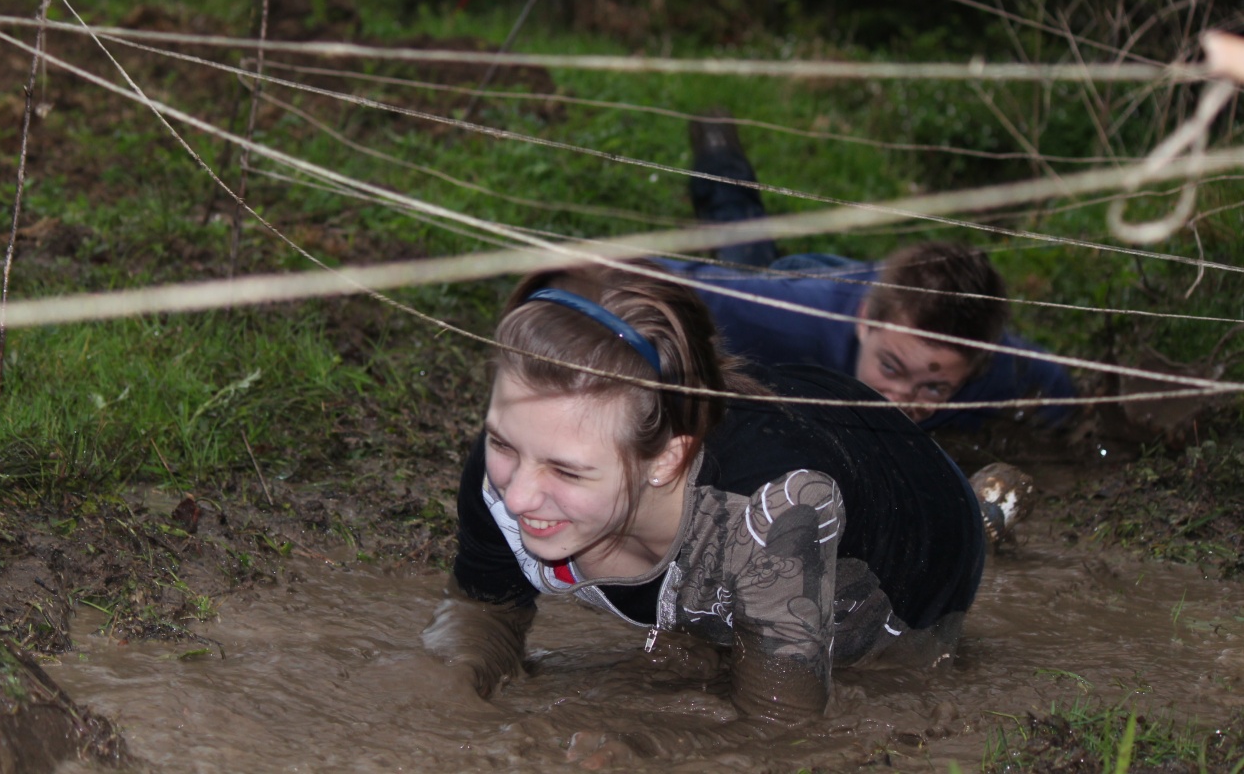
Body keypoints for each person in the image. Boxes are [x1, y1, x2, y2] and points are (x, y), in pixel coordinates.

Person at [422, 262, 996, 736]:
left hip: (918, 532)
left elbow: (782, 728)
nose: (517, 495)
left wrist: (646, 749)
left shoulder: (772, 514)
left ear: (668, 457)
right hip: (800, 418)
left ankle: (991, 511)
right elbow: (482, 610)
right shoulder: (526, 443)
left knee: (868, 678)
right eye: (503, 443)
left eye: (566, 472)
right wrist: (450, 699)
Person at [656, 115, 1077, 433]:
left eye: (933, 388)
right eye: (891, 368)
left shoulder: (1000, 372)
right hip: (812, 280)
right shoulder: (791, 316)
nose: (899, 401)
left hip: (882, 285)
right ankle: (719, 151)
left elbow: (1063, 399)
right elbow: (663, 279)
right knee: (745, 251)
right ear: (864, 322)